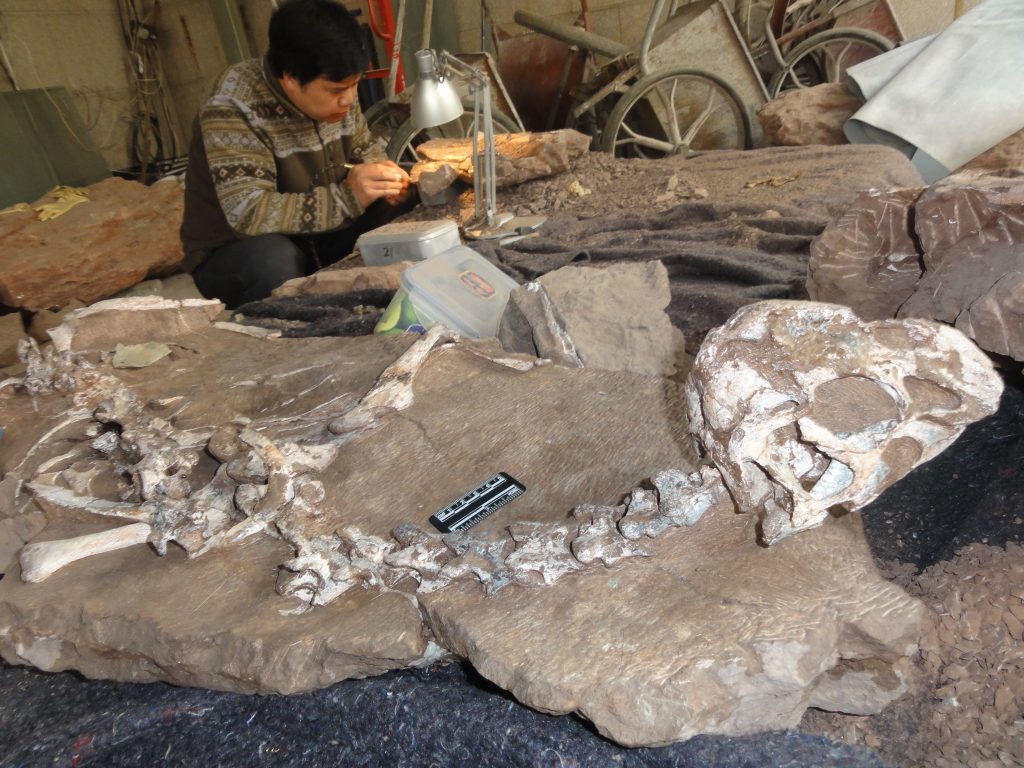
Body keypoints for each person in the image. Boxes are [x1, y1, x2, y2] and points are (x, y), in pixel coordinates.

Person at [180, 0, 413, 308]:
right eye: (336, 90)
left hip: (322, 232)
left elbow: (363, 147)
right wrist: (346, 198)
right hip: (239, 251)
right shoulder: (233, 105)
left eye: (355, 85)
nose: (349, 99)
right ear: (290, 79)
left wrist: (379, 174)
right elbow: (248, 212)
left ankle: (404, 297)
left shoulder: (339, 87)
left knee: (406, 198)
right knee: (273, 259)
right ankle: (306, 336)